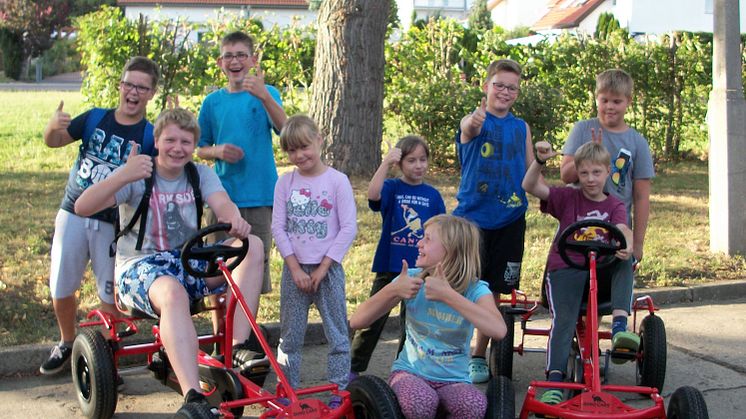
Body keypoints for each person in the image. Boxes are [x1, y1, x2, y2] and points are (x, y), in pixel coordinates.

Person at [75, 108, 267, 416]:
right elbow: (83, 206)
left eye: (186, 142)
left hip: (186, 261)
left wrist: (235, 221)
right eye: (170, 140)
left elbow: (223, 205)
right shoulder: (138, 175)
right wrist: (123, 174)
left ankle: (238, 348)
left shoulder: (199, 174)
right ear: (157, 140)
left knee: (252, 245)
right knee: (172, 292)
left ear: (194, 145)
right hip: (139, 268)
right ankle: (193, 395)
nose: (178, 148)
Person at [40, 56, 160, 375]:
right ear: (120, 86)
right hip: (73, 212)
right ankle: (66, 342)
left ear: (151, 93)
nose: (133, 92)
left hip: (114, 223)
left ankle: (107, 362)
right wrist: (52, 127)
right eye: (129, 84)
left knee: (111, 295)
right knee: (62, 286)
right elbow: (54, 141)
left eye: (142, 87)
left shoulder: (150, 136)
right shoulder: (95, 118)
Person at [349, 214, 507, 419]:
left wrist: (448, 295)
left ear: (451, 250)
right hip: (410, 373)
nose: (419, 243)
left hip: (455, 380)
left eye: (428, 239)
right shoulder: (411, 279)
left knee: (473, 406)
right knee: (419, 402)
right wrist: (394, 290)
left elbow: (499, 330)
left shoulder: (475, 289)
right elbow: (357, 321)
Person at [522, 140, 637, 406]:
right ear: (577, 173)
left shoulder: (614, 205)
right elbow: (529, 186)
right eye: (584, 173)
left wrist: (628, 244)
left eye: (596, 173)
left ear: (608, 172)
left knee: (626, 260)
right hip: (567, 268)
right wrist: (539, 161)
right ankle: (555, 380)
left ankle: (620, 329)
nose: (590, 179)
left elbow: (623, 228)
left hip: (602, 271)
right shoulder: (567, 197)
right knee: (564, 320)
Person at [453, 58, 534, 383]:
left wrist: (544, 165)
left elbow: (530, 169)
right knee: (461, 286)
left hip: (510, 220)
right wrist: (474, 120)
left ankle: (478, 354)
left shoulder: (521, 127)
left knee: (495, 292)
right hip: (471, 222)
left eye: (511, 87)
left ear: (517, 92)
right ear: (486, 86)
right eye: (498, 84)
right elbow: (468, 129)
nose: (504, 91)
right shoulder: (474, 120)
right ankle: (453, 350)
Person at [271, 115, 357, 408]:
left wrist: (323, 268)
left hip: (328, 270)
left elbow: (348, 228)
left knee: (337, 333)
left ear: (319, 140)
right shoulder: (285, 183)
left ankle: (338, 391)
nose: (299, 155)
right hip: (294, 271)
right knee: (290, 337)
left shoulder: (337, 181)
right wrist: (294, 268)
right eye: (292, 151)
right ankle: (287, 392)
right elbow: (278, 227)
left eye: (304, 147)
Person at [197, 30, 287, 297]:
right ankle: (218, 336)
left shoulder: (267, 94)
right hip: (222, 199)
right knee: (217, 271)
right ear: (219, 62)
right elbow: (199, 148)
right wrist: (217, 150)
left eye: (241, 55)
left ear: (253, 59)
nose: (235, 61)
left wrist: (264, 96)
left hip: (259, 197)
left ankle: (243, 336)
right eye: (228, 56)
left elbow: (285, 130)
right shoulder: (212, 102)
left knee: (252, 274)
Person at [349, 135, 446, 382]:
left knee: (414, 324)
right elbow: (372, 195)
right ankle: (352, 368)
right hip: (390, 267)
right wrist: (384, 164)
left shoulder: (433, 195)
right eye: (411, 160)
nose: (418, 165)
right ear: (400, 164)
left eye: (423, 159)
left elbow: (442, 231)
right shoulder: (392, 187)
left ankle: (406, 372)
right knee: (373, 321)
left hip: (422, 270)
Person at [560, 68, 654, 270]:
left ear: (628, 101)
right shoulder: (583, 129)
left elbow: (641, 197)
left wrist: (637, 244)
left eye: (616, 101)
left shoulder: (637, 142)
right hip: (579, 226)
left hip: (615, 228)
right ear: (596, 99)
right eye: (604, 100)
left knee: (609, 292)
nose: (609, 107)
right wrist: (590, 157)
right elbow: (565, 176)